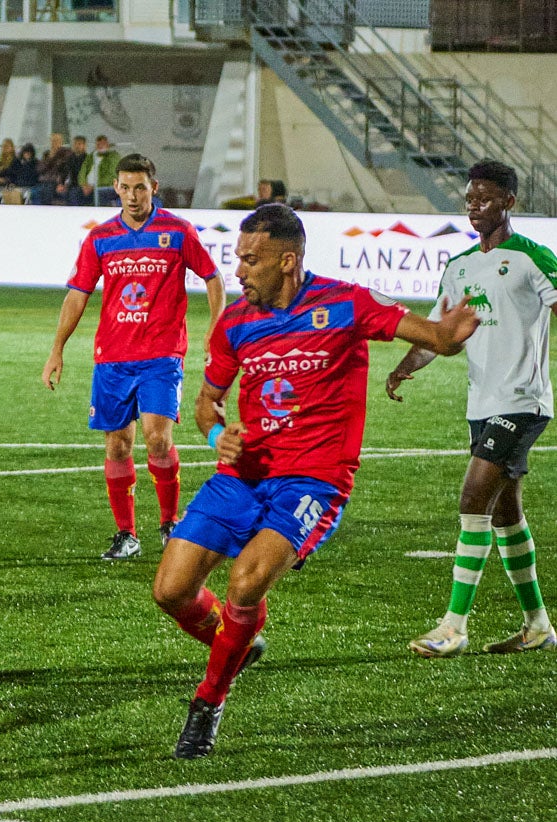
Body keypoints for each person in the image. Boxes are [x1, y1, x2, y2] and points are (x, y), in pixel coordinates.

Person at [152, 203, 478, 758]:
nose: (239, 272)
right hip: (242, 475)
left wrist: (449, 335)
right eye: (238, 260)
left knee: (246, 584)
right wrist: (214, 437)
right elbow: (208, 402)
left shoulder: (347, 302)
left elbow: (434, 337)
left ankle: (208, 701)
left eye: (250, 261)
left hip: (312, 482)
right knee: (171, 590)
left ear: (287, 260)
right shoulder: (236, 322)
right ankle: (238, 643)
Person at [388, 160, 557, 658]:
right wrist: (406, 366)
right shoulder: (459, 266)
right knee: (506, 515)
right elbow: (443, 336)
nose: (474, 206)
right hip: (482, 403)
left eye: (485, 198)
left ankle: (453, 626)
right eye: (469, 199)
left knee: (472, 499)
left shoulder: (532, 258)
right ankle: (538, 626)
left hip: (522, 401)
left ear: (509, 202)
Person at [42, 154, 226, 559]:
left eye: (139, 187)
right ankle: (126, 534)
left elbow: (213, 278)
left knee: (157, 439)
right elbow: (78, 294)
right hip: (112, 357)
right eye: (124, 188)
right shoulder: (101, 237)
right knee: (118, 447)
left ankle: (169, 523)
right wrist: (57, 348)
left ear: (153, 188)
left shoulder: (177, 231)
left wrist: (216, 329)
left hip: (161, 354)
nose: (131, 195)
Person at [93, 135, 120, 206]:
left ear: (108, 145)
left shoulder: (113, 156)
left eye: (103, 144)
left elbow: (113, 174)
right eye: (98, 144)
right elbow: (83, 172)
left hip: (107, 185)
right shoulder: (92, 157)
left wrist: (96, 185)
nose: (100, 146)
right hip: (90, 186)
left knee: (100, 192)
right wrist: (83, 183)